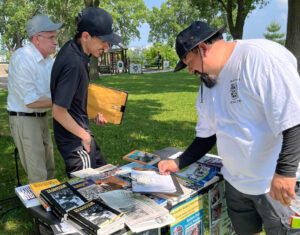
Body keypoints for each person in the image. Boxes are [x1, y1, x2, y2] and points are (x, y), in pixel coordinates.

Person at [158, 21, 300, 234]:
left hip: (275, 185)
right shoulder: (208, 84)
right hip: (236, 185)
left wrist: (286, 173)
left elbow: (293, 118)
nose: (190, 71)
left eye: (189, 62)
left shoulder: (260, 57)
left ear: (203, 49)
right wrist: (179, 162)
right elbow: (208, 135)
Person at [50, 7, 124, 177]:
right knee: (87, 190)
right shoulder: (73, 63)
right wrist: (84, 136)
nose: (107, 47)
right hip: (76, 142)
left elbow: (73, 97)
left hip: (81, 133)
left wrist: (94, 112)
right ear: (85, 36)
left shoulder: (78, 51)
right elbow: (58, 111)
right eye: (103, 41)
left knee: (107, 178)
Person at [7, 15, 63, 183]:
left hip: (41, 116)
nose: (56, 42)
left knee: (49, 166)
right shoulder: (23, 58)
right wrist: (63, 100)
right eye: (51, 37)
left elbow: (56, 88)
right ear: (37, 39)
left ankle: (50, 204)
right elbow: (31, 101)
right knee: (37, 171)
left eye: (56, 37)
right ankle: (39, 207)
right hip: (25, 120)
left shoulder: (49, 60)